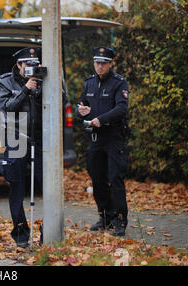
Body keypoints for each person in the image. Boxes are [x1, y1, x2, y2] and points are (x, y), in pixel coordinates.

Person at [76, 46, 130, 236]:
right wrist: (80, 110)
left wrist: (101, 119)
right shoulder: (90, 83)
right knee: (97, 179)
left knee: (115, 179)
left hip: (113, 137)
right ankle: (105, 216)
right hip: (95, 138)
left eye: (104, 63)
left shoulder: (118, 83)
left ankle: (120, 221)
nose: (99, 66)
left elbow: (122, 108)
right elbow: (82, 104)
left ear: (111, 64)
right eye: (97, 63)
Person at [0, 47, 43, 248]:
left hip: (40, 137)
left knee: (46, 185)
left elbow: (62, 101)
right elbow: (8, 107)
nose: (32, 68)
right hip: (16, 137)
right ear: (19, 65)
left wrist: (44, 85)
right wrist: (26, 89)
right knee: (16, 185)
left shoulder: (44, 78)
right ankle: (21, 233)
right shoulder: (4, 81)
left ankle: (48, 232)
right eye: (28, 65)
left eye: (35, 64)